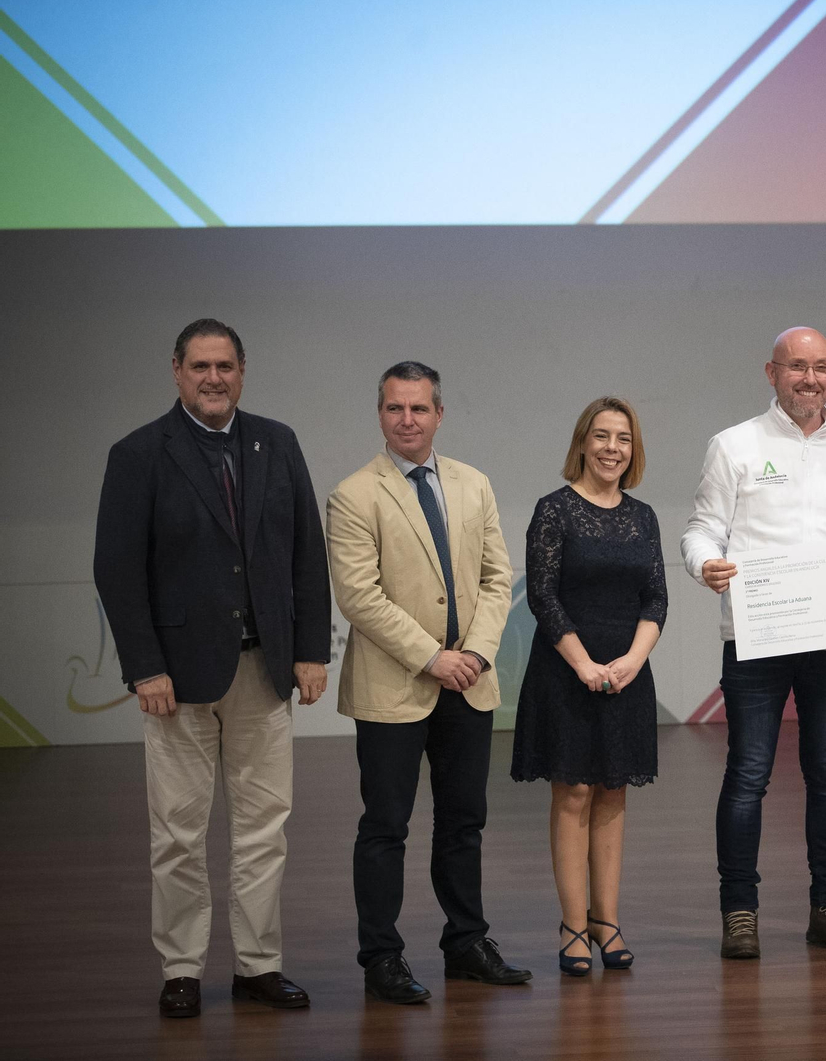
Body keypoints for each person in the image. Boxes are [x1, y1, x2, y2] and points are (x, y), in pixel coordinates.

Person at [92, 318, 330, 1017]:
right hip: (176, 681)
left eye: (224, 365)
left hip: (265, 672)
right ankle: (182, 970)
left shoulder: (276, 442)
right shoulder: (139, 454)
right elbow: (116, 570)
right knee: (178, 834)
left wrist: (311, 650)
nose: (213, 378)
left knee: (263, 830)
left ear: (242, 371)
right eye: (200, 366)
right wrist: (144, 667)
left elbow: (305, 553)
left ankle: (258, 966)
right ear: (175, 371)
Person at [681, 326, 826, 958]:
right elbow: (701, 529)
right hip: (756, 633)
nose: (809, 378)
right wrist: (704, 565)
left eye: (820, 367)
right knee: (748, 774)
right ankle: (739, 912)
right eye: (796, 367)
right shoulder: (734, 445)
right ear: (770, 373)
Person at [325, 361, 529, 1003]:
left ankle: (466, 941)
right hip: (395, 687)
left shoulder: (474, 484)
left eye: (418, 408)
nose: (407, 420)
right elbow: (359, 596)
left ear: (439, 414)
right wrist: (432, 658)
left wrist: (475, 652)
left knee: (464, 820)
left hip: (468, 681)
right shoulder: (354, 494)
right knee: (385, 826)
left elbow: (500, 579)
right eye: (394, 409)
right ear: (380, 415)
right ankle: (381, 956)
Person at [511, 397, 667, 976]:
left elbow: (656, 597)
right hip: (565, 671)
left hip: (628, 672)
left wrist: (631, 660)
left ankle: (608, 921)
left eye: (623, 439)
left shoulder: (643, 516)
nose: (611, 448)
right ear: (582, 442)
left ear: (634, 449)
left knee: (614, 791)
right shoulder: (553, 511)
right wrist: (583, 664)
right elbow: (543, 597)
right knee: (574, 793)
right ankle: (573, 925)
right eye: (601, 436)